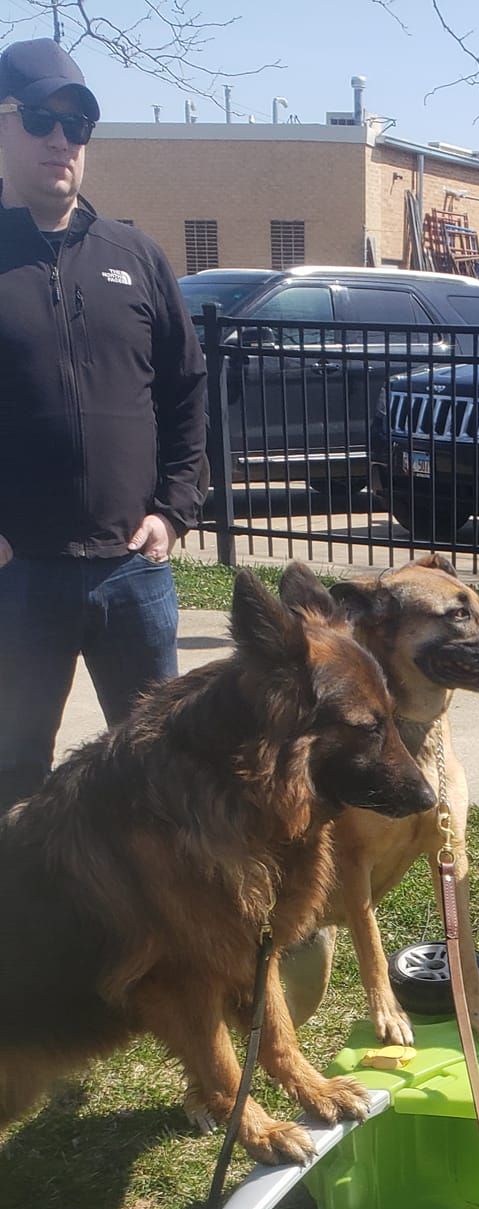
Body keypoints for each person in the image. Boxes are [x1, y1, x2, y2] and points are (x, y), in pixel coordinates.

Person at [0, 38, 207, 810]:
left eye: (77, 124)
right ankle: (17, 925)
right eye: (41, 118)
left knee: (162, 766)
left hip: (133, 571)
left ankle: (161, 926)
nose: (61, 139)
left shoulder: (135, 254)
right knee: (14, 763)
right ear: (3, 125)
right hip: (18, 577)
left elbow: (186, 387)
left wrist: (173, 510)